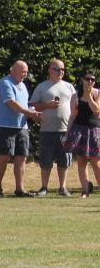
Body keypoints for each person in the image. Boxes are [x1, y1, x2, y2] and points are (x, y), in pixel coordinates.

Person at [0, 60, 40, 197]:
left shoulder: (23, 86)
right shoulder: (5, 83)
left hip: (22, 126)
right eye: (22, 71)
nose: (25, 74)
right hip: (6, 126)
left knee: (21, 157)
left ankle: (20, 189)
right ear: (13, 70)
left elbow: (25, 105)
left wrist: (33, 112)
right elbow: (12, 103)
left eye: (26, 72)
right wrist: (30, 113)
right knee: (4, 156)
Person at [30, 58, 76, 196]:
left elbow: (75, 106)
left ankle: (62, 188)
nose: (61, 71)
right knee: (46, 160)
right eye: (57, 69)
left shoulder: (69, 87)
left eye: (62, 69)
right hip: (47, 130)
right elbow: (32, 105)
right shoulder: (42, 86)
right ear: (50, 70)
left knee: (64, 160)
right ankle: (44, 187)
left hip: (65, 130)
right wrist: (47, 105)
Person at [64, 68, 100, 197]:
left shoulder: (98, 93)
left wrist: (89, 95)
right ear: (82, 80)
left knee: (96, 162)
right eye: (87, 79)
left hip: (94, 130)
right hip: (79, 129)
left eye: (92, 79)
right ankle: (85, 190)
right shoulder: (76, 96)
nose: (90, 81)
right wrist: (67, 134)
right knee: (81, 162)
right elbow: (72, 116)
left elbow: (96, 110)